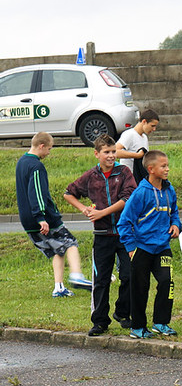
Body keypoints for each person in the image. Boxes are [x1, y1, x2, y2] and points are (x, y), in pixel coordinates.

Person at [64, 134, 137, 336]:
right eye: (106, 152)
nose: (111, 155)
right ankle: (100, 321)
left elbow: (128, 198)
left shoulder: (124, 172)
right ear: (97, 154)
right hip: (102, 236)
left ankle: (123, 313)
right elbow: (68, 193)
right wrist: (84, 209)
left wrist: (101, 212)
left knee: (129, 275)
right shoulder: (91, 176)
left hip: (125, 234)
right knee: (101, 280)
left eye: (113, 151)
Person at [15, 132, 92, 298]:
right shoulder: (36, 166)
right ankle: (77, 276)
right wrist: (41, 217)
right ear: (41, 146)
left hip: (26, 219)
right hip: (43, 218)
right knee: (70, 243)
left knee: (59, 250)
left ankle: (59, 287)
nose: (49, 153)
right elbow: (36, 192)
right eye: (49, 149)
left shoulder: (21, 162)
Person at [117, 150, 182, 339]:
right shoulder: (140, 193)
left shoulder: (169, 189)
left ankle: (161, 323)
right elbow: (124, 222)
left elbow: (174, 212)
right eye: (163, 166)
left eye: (168, 165)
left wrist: (175, 225)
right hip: (142, 248)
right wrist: (130, 248)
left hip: (163, 247)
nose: (167, 169)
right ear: (151, 169)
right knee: (140, 288)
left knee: (166, 282)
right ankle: (137, 327)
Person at [116, 109, 160, 185]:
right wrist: (137, 155)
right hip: (128, 179)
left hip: (139, 179)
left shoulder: (144, 137)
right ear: (144, 122)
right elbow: (115, 152)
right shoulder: (129, 134)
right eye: (152, 126)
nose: (154, 129)